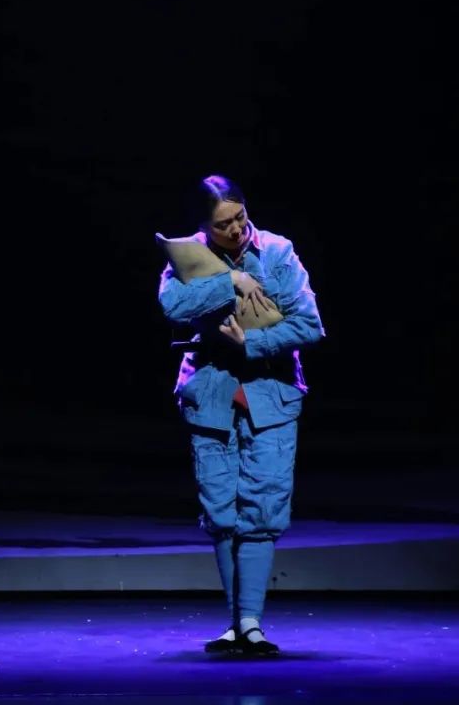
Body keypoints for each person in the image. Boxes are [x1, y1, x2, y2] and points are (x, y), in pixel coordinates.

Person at [157, 174, 326, 655]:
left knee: (262, 508)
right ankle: (234, 625)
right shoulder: (189, 256)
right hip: (211, 396)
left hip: (269, 396)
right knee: (220, 511)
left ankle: (251, 623)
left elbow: (309, 325)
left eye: (240, 218)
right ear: (203, 227)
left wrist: (251, 341)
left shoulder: (277, 252)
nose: (235, 230)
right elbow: (173, 305)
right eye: (222, 225)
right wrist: (230, 279)